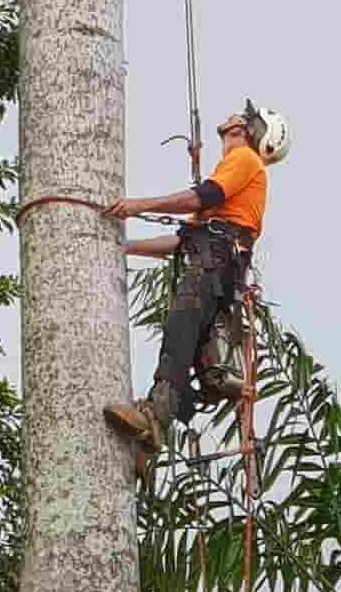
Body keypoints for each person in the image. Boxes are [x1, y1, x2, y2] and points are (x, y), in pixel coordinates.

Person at [101, 101, 290, 465]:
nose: (236, 122)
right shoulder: (232, 192)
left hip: (214, 265)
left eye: (244, 122)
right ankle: (148, 439)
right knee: (188, 342)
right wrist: (121, 248)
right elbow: (181, 241)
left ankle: (154, 417)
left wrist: (138, 207)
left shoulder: (245, 160)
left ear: (252, 133)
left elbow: (202, 196)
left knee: (180, 330)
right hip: (217, 267)